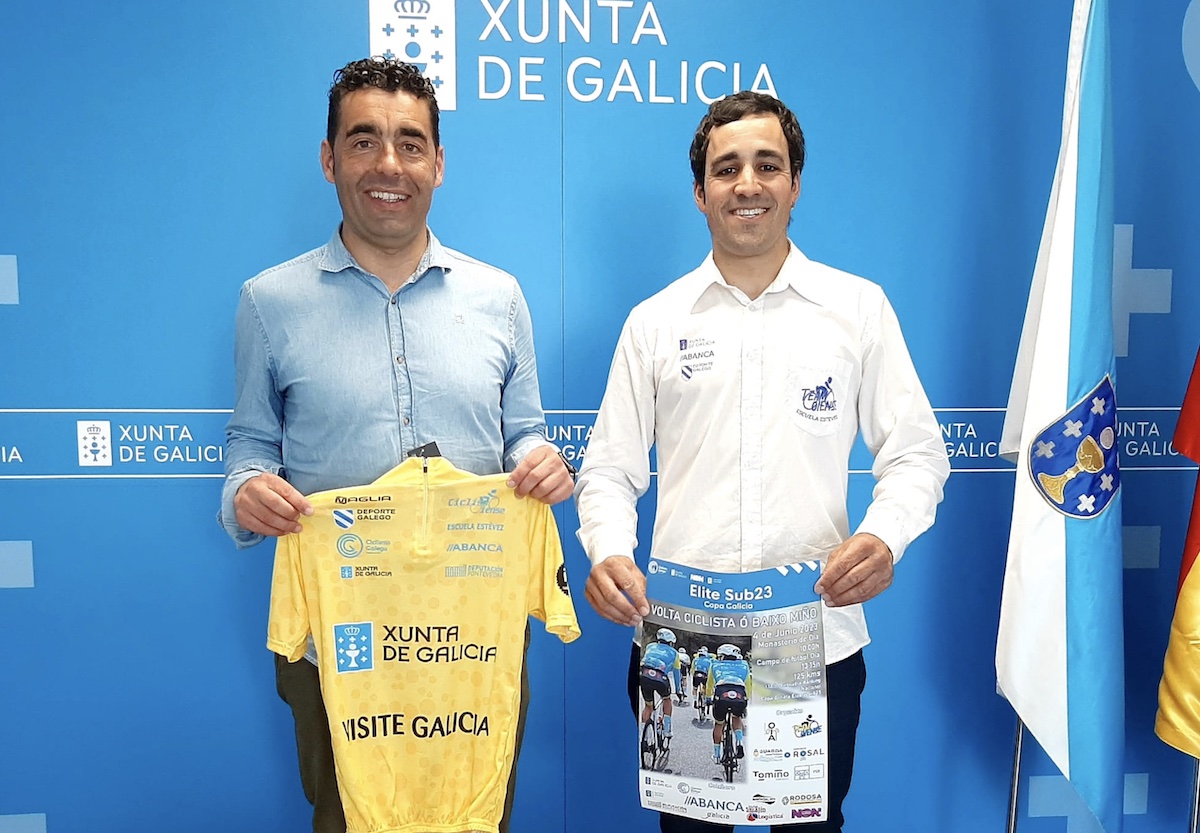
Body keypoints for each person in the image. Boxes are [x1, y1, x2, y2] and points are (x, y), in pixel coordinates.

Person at [574, 90, 950, 833]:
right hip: (684, 649)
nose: (747, 183)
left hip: (816, 644)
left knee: (812, 830)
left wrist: (885, 536)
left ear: (795, 184)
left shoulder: (857, 309)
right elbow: (610, 470)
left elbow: (916, 453)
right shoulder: (654, 323)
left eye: (767, 165)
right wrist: (609, 550)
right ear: (700, 191)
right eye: (727, 168)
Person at [218, 57, 574, 833]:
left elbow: (525, 435)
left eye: (411, 143)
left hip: (473, 642)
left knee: (477, 818)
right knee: (344, 819)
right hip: (338, 645)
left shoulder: (499, 297)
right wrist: (245, 490)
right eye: (363, 141)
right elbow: (249, 446)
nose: (389, 164)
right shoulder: (269, 302)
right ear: (329, 158)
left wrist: (539, 464)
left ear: (438, 163)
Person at [706, 644, 750, 764]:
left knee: (719, 723)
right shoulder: (744, 665)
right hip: (739, 694)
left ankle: (716, 755)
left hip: (721, 694)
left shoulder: (715, 664)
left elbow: (709, 684)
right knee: (736, 717)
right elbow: (748, 686)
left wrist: (708, 698)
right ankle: (739, 742)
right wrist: (746, 701)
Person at [638, 627, 680, 739]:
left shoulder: (650, 646)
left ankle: (642, 734)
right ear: (671, 642)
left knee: (648, 706)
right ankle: (667, 730)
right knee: (667, 699)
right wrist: (678, 690)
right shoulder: (675, 653)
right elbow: (676, 673)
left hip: (644, 674)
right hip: (660, 678)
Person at [692, 647, 713, 716]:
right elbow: (710, 671)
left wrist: (692, 673)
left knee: (695, 688)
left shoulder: (696, 659)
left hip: (696, 674)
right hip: (704, 675)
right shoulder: (709, 660)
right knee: (705, 687)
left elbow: (692, 669)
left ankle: (695, 700)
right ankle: (704, 700)